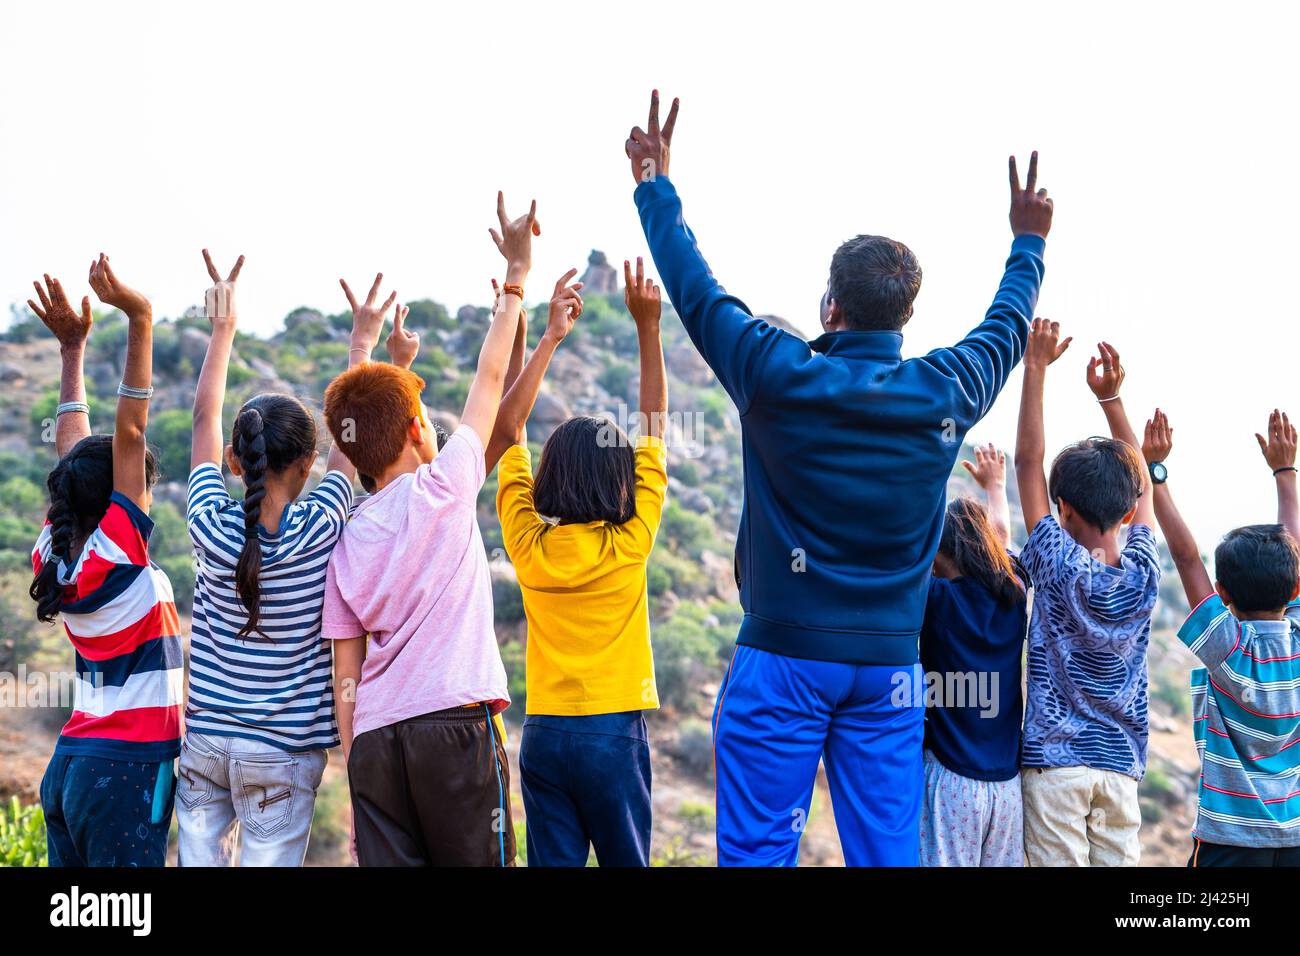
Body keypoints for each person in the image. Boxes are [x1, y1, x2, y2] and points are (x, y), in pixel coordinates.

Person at [623, 90, 1052, 865]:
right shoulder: (944, 390)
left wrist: (655, 186)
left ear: (830, 304)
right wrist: (1028, 242)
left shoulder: (774, 371)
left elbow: (694, 288)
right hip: (889, 671)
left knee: (758, 852)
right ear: (906, 317)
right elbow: (1006, 327)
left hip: (781, 659)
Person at [321, 193, 537, 866]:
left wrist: (359, 769)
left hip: (379, 745)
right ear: (421, 431)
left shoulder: (347, 540)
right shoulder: (444, 489)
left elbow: (346, 675)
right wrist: (516, 278)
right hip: (454, 729)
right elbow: (491, 375)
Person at [177, 254, 415, 865]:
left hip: (204, 744)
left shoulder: (209, 522)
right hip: (281, 753)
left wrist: (222, 328)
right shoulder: (324, 523)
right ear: (309, 465)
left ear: (235, 459)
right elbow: (352, 439)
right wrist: (363, 342)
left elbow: (203, 416)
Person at [496, 258, 667, 866]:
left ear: (548, 476)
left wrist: (528, 333)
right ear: (622, 481)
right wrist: (648, 328)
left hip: (542, 734)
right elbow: (653, 430)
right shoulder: (632, 542)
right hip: (611, 735)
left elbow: (510, 428)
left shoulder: (526, 543)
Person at [29, 257, 182, 867]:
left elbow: (76, 454)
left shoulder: (58, 554)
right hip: (125, 772)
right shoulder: (119, 551)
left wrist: (73, 352)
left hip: (71, 768)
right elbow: (131, 428)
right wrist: (139, 318)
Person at [1014, 328, 1161, 866]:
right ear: (1127, 515)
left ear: (1063, 509)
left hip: (1056, 767)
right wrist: (1111, 401)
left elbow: (1027, 462)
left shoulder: (1054, 558)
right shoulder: (1144, 571)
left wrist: (1036, 367)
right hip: (1120, 772)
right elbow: (1142, 485)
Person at [1142, 408, 1300, 866]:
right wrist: (1284, 471)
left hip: (1230, 842)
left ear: (1223, 594)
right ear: (1295, 590)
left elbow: (1188, 560)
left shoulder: (1227, 648)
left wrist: (1158, 475)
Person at [919, 445, 1028, 866]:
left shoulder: (935, 599)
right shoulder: (1013, 594)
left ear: (936, 553)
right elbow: (1001, 538)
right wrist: (996, 488)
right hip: (1006, 787)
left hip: (950, 778)